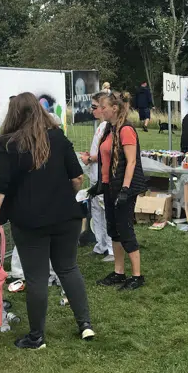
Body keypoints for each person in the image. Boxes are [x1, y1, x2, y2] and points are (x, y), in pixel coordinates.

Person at [0, 92, 93, 349]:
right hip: (66, 216)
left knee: (36, 278)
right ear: (39, 111)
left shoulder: (8, 143)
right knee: (68, 269)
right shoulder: (57, 136)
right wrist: (60, 196)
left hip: (29, 221)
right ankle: (85, 325)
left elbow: (0, 186)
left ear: (13, 114)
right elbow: (77, 178)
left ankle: (37, 337)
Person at [92, 92, 147, 290]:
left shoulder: (125, 129)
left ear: (114, 108)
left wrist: (125, 188)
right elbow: (105, 159)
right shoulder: (109, 129)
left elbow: (131, 161)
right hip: (110, 186)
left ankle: (137, 275)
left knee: (125, 229)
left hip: (124, 187)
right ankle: (119, 271)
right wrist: (100, 184)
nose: (97, 110)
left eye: (100, 106)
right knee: (113, 229)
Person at [81, 94, 113, 262]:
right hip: (95, 175)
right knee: (96, 211)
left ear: (103, 108)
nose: (92, 110)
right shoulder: (101, 126)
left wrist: (90, 158)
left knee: (106, 212)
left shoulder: (108, 127)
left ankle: (111, 248)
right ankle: (100, 245)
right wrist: (90, 156)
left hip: (103, 176)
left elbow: (106, 153)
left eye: (94, 107)